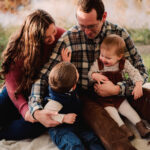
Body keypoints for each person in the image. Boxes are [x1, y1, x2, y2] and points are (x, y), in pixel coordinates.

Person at [29, 0, 149, 149]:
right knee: (103, 124)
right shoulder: (68, 39)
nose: (86, 31)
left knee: (147, 97)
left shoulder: (119, 34)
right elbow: (44, 77)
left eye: (91, 26)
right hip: (88, 97)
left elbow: (141, 71)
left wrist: (118, 89)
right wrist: (36, 110)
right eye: (82, 25)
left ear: (103, 17)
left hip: (122, 91)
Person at [0, 9, 65, 140]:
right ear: (35, 40)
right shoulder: (17, 51)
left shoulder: (61, 35)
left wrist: (36, 114)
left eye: (53, 31)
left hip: (41, 95)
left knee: (32, 127)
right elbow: (13, 88)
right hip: (18, 93)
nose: (53, 38)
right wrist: (27, 112)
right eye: (47, 37)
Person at [88, 34, 150, 140]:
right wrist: (94, 75)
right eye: (102, 55)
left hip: (118, 96)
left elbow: (135, 73)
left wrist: (138, 84)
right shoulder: (98, 64)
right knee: (112, 113)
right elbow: (90, 74)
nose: (103, 59)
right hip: (103, 98)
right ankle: (125, 130)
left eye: (108, 58)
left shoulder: (123, 63)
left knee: (127, 109)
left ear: (119, 56)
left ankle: (141, 127)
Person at [43, 61, 105, 150]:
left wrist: (66, 63)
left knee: (92, 138)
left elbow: (64, 75)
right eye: (76, 71)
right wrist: (63, 118)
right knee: (74, 145)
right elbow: (48, 115)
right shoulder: (55, 101)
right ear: (74, 86)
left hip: (77, 123)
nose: (76, 70)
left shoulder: (64, 84)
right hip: (60, 128)